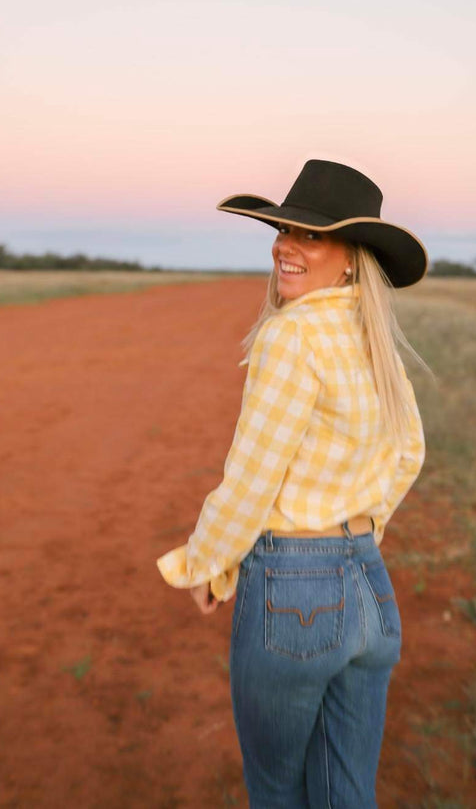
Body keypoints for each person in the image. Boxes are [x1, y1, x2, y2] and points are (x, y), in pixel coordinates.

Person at [157, 159, 429, 808]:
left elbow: (252, 477)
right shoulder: (373, 340)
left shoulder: (291, 336)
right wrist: (357, 530)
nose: (284, 245)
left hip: (293, 592)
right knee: (344, 793)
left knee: (278, 793)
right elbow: (409, 452)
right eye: (283, 230)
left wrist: (207, 563)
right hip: (369, 588)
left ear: (352, 258)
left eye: (311, 235)